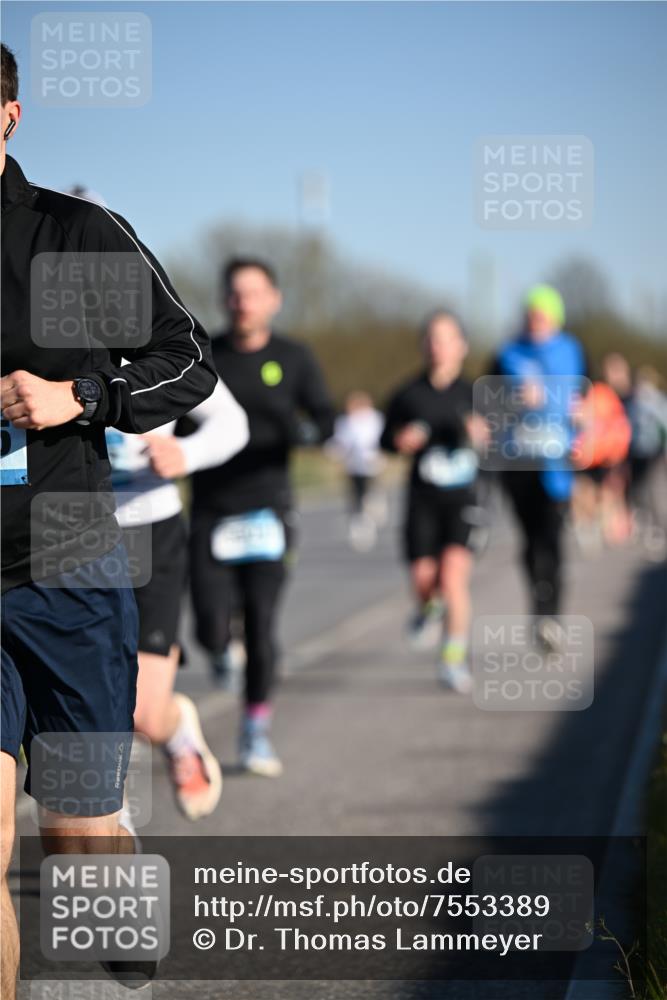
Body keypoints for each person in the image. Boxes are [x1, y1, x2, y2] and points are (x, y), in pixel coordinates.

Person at [0, 43, 216, 997]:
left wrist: (81, 394)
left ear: (7, 115)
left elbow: (186, 360)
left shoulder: (69, 237)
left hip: (65, 565)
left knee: (78, 847)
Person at [189, 257, 335, 776]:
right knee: (208, 624)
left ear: (273, 299)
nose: (241, 302)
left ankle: (255, 731)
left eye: (252, 293)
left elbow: (326, 418)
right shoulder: (203, 354)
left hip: (269, 509)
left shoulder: (294, 358)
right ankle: (220, 649)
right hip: (210, 507)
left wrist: (303, 432)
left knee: (262, 622)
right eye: (233, 293)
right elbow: (177, 416)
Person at [107, 378, 248, 821]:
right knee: (86, 691)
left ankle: (176, 732)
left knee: (143, 714)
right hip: (66, 530)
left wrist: (186, 454)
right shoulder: (37, 336)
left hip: (151, 530)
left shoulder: (157, 338)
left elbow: (232, 422)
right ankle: (113, 820)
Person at [381, 310, 487, 693]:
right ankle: (427, 609)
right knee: (425, 581)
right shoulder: (407, 394)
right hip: (422, 500)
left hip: (464, 501)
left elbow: (501, 444)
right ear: (423, 345)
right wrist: (399, 440)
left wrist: (484, 435)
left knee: (453, 577)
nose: (437, 346)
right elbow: (384, 440)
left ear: (462, 346)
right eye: (431, 338)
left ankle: (452, 660)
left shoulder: (476, 394)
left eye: (446, 338)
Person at [491, 284, 587, 647]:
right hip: (518, 461)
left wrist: (583, 417)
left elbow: (591, 397)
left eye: (542, 315)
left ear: (556, 318)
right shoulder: (506, 353)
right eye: (530, 314)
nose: (535, 321)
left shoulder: (574, 351)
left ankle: (553, 615)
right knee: (530, 541)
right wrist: (513, 399)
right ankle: (538, 608)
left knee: (553, 538)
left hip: (559, 463)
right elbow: (486, 403)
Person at [327, 391, 386, 551]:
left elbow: (381, 438)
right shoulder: (346, 422)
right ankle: (361, 524)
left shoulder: (375, 419)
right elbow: (339, 442)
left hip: (372, 463)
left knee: (370, 490)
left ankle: (373, 504)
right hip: (354, 465)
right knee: (356, 494)